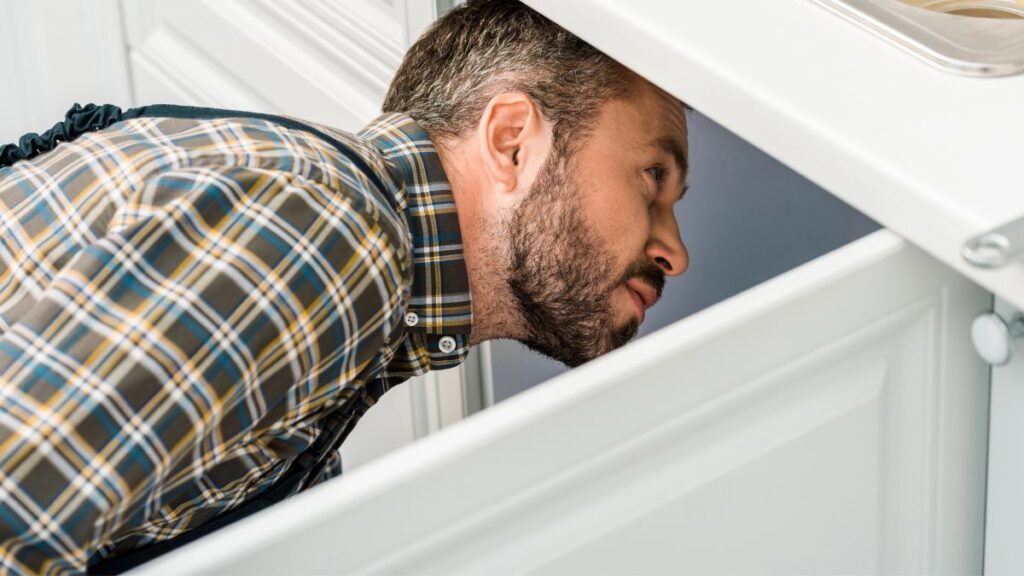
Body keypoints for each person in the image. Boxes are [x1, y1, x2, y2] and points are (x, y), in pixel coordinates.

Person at [0, 0, 689, 572]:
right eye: (654, 179)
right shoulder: (326, 237)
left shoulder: (328, 226)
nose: (676, 252)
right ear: (513, 140)